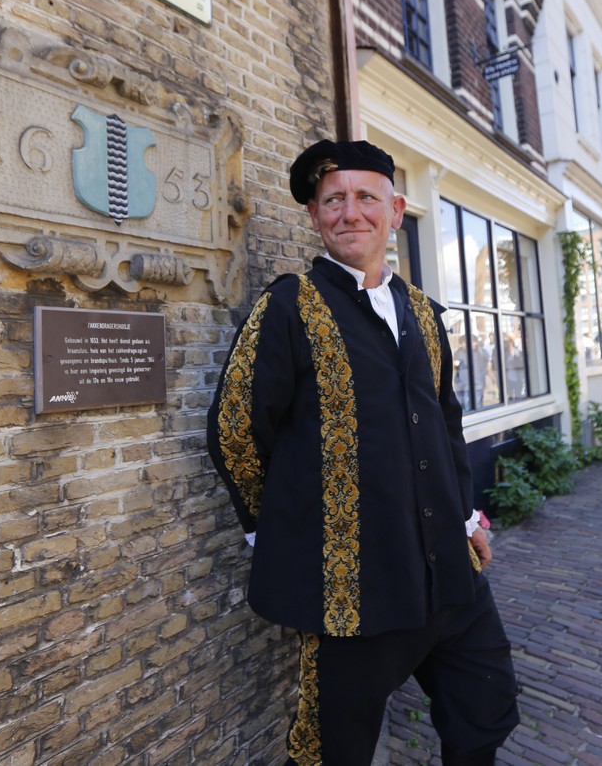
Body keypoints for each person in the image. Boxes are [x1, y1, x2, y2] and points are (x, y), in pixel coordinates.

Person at [207, 139, 519, 765]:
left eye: (366, 198)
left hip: (449, 576)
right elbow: (235, 430)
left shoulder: (425, 314)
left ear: (395, 211)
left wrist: (465, 519)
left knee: (485, 710)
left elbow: (446, 426)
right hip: (351, 593)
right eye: (333, 201)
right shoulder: (288, 307)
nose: (350, 212)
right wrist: (277, 532)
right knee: (334, 750)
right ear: (315, 216)